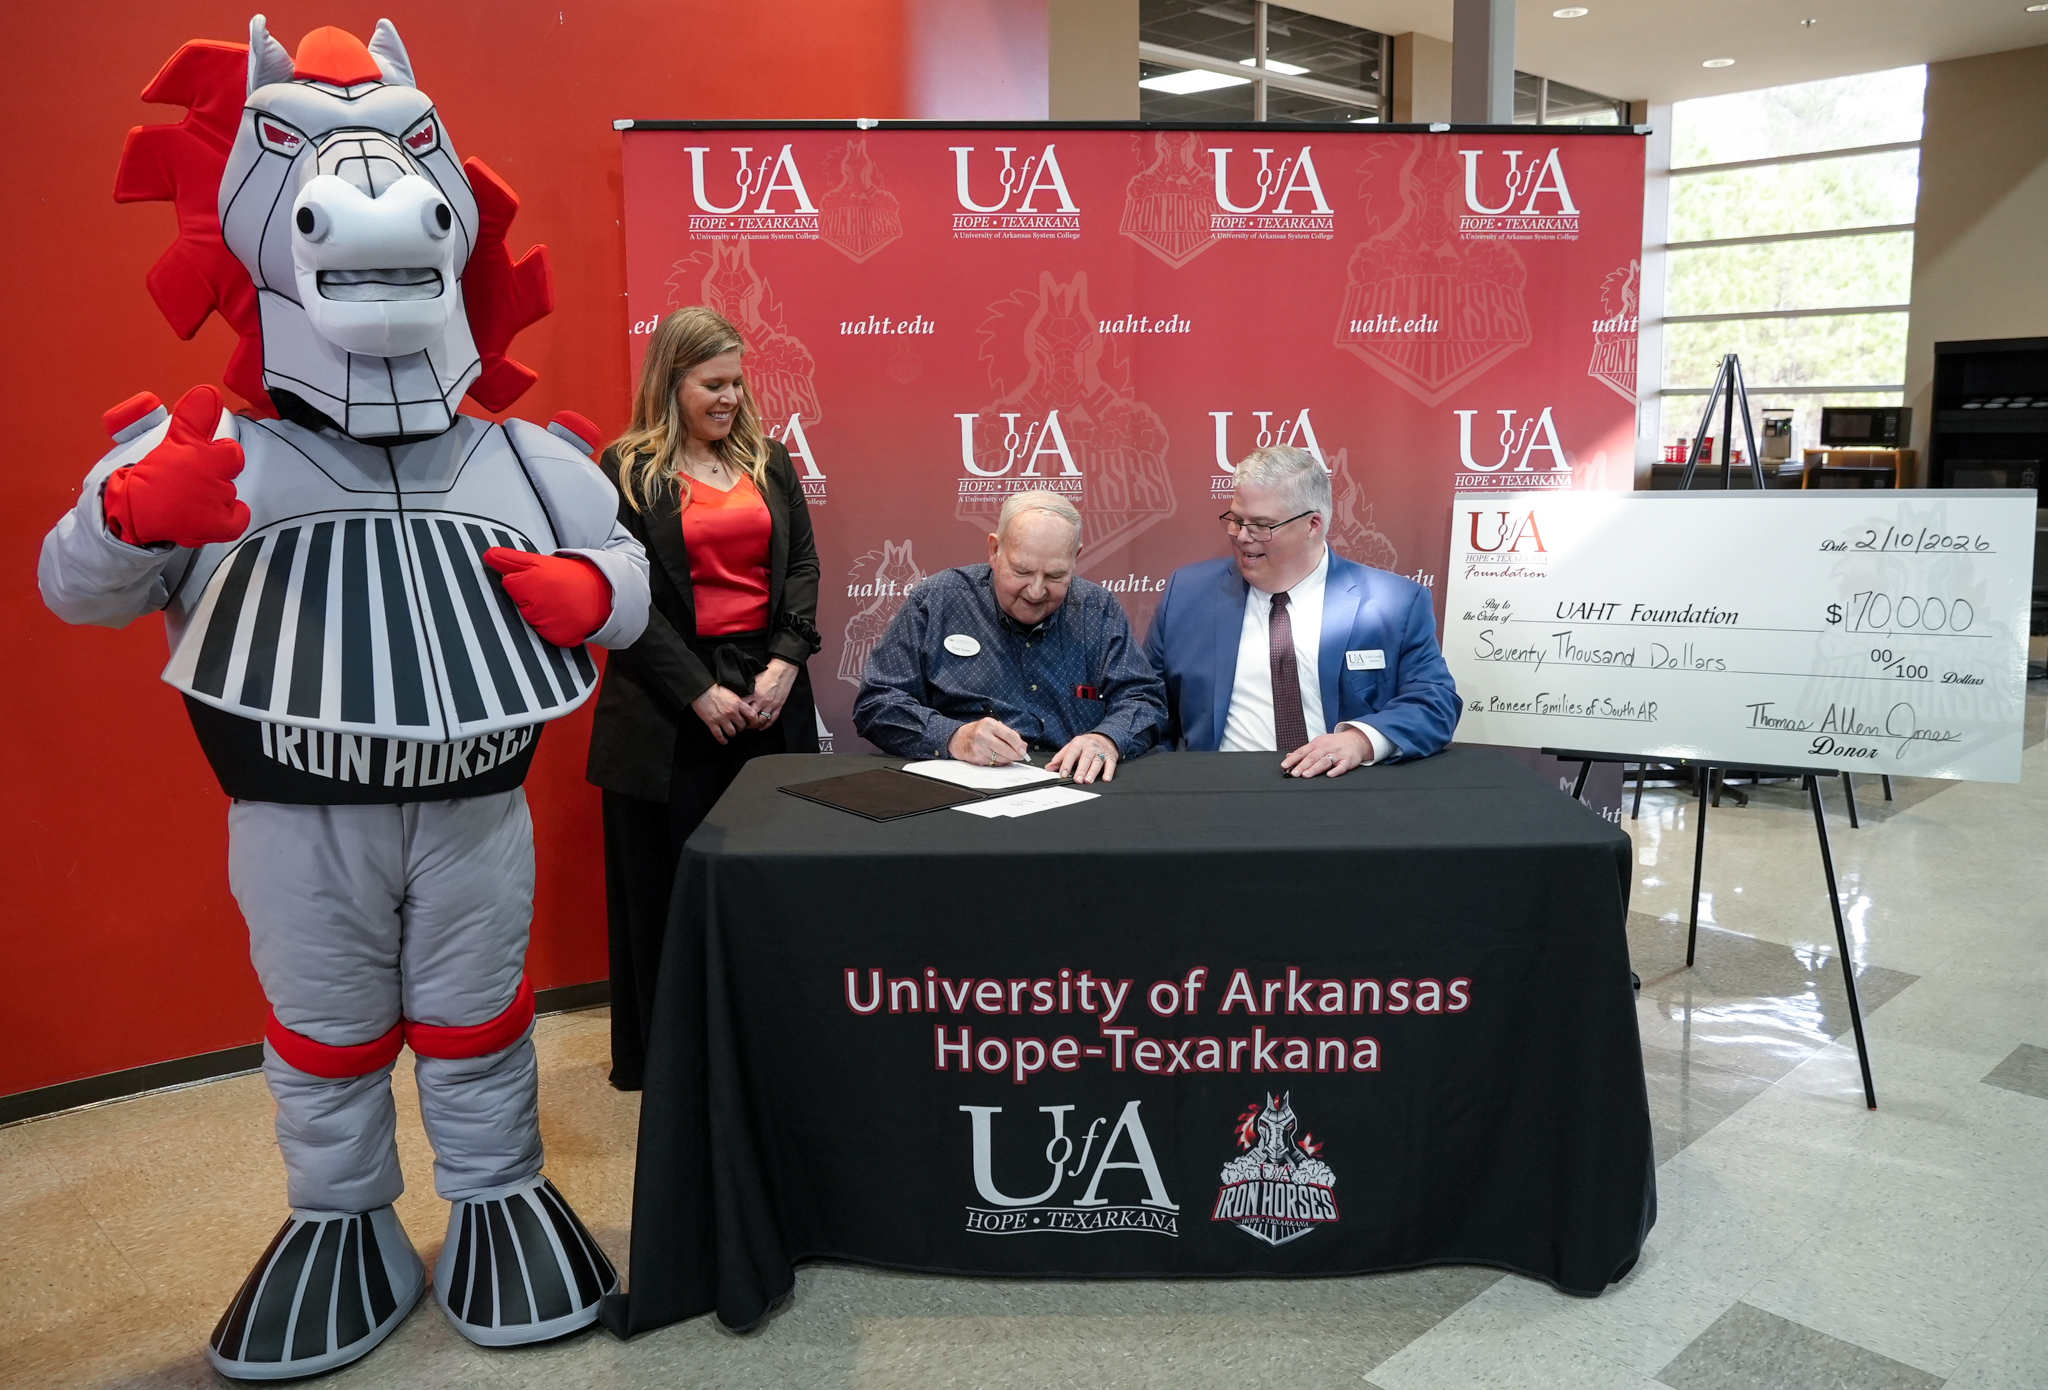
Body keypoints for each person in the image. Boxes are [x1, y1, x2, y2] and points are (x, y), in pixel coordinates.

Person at [585, 306, 822, 1090]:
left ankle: (769, 1041)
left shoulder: (769, 459)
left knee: (773, 880)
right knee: (664, 888)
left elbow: (803, 569)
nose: (730, 398)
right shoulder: (625, 469)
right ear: (672, 380)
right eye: (712, 384)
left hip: (767, 695)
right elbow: (624, 599)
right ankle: (667, 1060)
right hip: (666, 709)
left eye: (737, 381)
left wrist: (787, 662)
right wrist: (697, 691)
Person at [1143, 445, 1460, 774]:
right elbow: (1146, 701)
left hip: (1346, 791)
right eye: (1237, 520)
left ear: (1313, 525)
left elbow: (1435, 703)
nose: (1242, 537)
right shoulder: (1187, 594)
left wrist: (1360, 741)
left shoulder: (1394, 603)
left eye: (1262, 525)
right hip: (1220, 791)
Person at [853, 491, 1166, 781]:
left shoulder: (1097, 609)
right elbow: (878, 703)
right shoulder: (937, 601)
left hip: (1072, 785)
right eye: (1021, 571)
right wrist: (952, 737)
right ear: (994, 550)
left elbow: (1144, 700)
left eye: (1055, 575)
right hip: (960, 786)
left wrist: (1107, 739)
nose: (1035, 590)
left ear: (1075, 558)